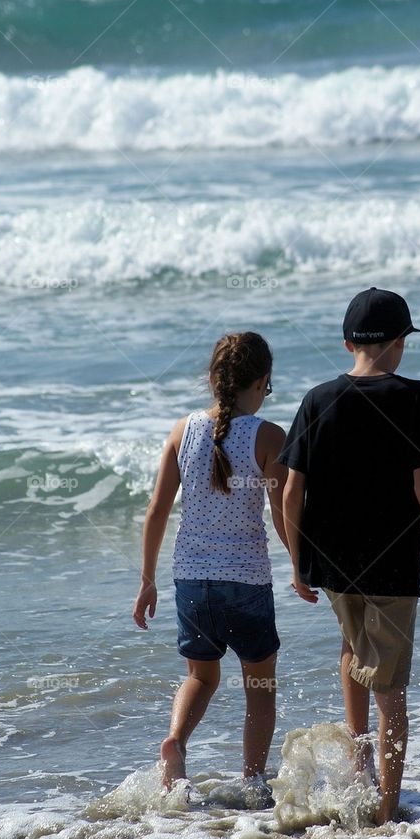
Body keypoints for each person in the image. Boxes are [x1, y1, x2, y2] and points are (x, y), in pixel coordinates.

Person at [279, 288, 420, 824]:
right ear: (399, 343)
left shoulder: (318, 399)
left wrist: (296, 560)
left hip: (333, 563)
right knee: (392, 689)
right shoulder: (418, 398)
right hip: (392, 565)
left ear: (347, 343)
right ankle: (385, 809)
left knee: (352, 643)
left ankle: (360, 763)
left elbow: (292, 492)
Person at [132, 332, 288, 794]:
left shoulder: (183, 430)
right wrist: (302, 566)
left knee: (201, 676)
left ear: (214, 379)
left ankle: (176, 741)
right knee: (259, 687)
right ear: (261, 382)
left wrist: (147, 580)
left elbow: (157, 510)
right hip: (247, 582)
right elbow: (282, 513)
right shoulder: (268, 436)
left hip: (191, 582)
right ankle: (253, 780)